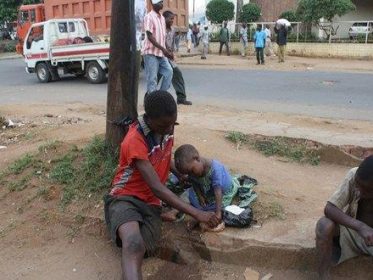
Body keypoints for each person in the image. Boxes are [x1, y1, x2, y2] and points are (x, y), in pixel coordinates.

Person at [104, 91, 220, 280]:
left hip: (151, 204)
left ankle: (154, 216)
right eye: (165, 125)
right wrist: (197, 213)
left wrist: (177, 173)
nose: (170, 130)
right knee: (134, 244)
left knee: (146, 247)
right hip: (125, 198)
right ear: (148, 119)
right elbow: (156, 186)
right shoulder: (135, 139)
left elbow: (162, 154)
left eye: (173, 123)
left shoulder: (165, 128)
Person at [315, 155, 373, 280]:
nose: (359, 191)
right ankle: (323, 276)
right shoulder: (353, 175)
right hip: (353, 232)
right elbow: (329, 208)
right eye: (358, 185)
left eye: (366, 190)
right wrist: (361, 226)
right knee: (324, 225)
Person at [174, 144, 238, 223]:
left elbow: (218, 192)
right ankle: (178, 212)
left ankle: (197, 218)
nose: (190, 175)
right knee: (187, 195)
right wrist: (200, 196)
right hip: (207, 191)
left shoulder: (215, 169)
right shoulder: (193, 172)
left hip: (222, 193)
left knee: (218, 207)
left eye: (191, 171)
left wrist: (218, 213)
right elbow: (194, 182)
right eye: (188, 173)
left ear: (197, 159)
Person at [142, 0, 173, 94]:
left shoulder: (162, 18)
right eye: (159, 2)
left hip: (160, 53)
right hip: (150, 53)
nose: (161, 4)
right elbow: (150, 36)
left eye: (162, 2)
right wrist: (164, 49)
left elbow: (163, 36)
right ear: (153, 3)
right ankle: (152, 104)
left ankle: (160, 96)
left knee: (169, 72)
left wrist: (167, 48)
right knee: (152, 79)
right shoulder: (149, 17)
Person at [163, 11, 192, 105]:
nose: (172, 21)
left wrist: (172, 53)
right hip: (160, 56)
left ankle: (181, 98)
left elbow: (172, 44)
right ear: (164, 18)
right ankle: (149, 98)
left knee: (177, 74)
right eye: (170, 19)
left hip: (169, 57)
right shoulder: (160, 29)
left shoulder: (172, 29)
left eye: (173, 19)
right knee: (157, 77)